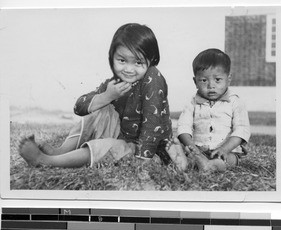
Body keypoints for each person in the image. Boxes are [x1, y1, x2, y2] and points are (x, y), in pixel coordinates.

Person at [18, 23, 176, 168]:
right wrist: (106, 96)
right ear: (112, 58)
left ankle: (47, 161)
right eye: (122, 60)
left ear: (151, 60)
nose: (129, 69)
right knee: (99, 109)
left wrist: (142, 160)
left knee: (107, 146)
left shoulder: (152, 76)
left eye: (138, 62)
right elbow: (79, 107)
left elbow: (152, 123)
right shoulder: (115, 83)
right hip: (123, 136)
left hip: (149, 148)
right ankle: (60, 151)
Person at [169, 48, 250, 172]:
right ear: (195, 82)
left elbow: (241, 130)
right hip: (199, 150)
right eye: (204, 80)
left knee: (229, 160)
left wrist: (224, 149)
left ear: (228, 79)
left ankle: (211, 165)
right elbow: (183, 127)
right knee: (190, 155)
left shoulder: (234, 102)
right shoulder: (193, 103)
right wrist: (193, 148)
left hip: (226, 151)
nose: (211, 85)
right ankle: (189, 160)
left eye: (217, 80)